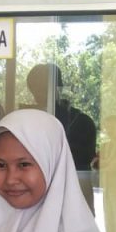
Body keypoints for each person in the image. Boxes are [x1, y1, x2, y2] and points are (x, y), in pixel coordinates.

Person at [26, 63, 97, 211]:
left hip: (74, 195)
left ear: (57, 87)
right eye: (35, 88)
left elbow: (83, 162)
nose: (38, 94)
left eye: (42, 87)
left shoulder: (83, 122)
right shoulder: (27, 120)